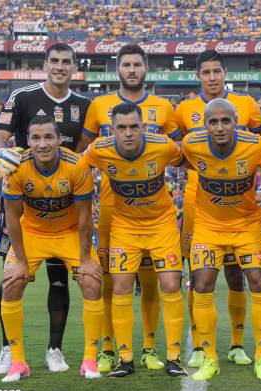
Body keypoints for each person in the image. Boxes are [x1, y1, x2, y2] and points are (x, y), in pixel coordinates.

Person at [78, 43, 180, 373]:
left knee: (154, 282)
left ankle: (151, 348)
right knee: (112, 281)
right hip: (113, 209)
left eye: (138, 64)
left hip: (155, 213)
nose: (132, 69)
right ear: (118, 69)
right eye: (126, 64)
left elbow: (183, 153)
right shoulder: (99, 105)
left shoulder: (164, 108)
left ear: (146, 68)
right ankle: (111, 349)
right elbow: (83, 155)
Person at [0, 42, 90, 375]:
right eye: (54, 61)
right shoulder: (22, 96)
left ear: (74, 67)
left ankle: (55, 350)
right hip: (23, 201)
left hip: (63, 208)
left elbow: (83, 153)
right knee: (11, 273)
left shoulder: (84, 105)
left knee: (59, 278)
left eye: (66, 62)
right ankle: (8, 349)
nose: (60, 67)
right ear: (45, 65)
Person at [175, 50, 261, 368]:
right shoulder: (184, 109)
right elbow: (178, 152)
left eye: (217, 71)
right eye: (206, 72)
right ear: (198, 76)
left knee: (236, 273)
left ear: (225, 73)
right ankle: (200, 344)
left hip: (239, 205)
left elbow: (259, 147)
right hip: (197, 201)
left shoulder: (248, 106)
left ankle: (237, 344)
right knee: (198, 275)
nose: (212, 77)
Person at [0, 115, 102, 382]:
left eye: (48, 137)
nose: (42, 143)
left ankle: (90, 359)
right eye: (35, 138)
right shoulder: (15, 167)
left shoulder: (77, 165)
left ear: (59, 139)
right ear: (27, 141)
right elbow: (12, 217)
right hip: (33, 232)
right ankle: (18, 361)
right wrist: (20, 261)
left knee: (91, 281)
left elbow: (84, 217)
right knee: (11, 282)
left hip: (69, 232)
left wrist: (85, 259)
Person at [181, 99, 261, 381]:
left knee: (258, 283)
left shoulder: (256, 145)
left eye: (226, 121)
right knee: (202, 284)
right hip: (208, 227)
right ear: (204, 124)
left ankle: (260, 355)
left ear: (236, 122)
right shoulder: (191, 144)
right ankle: (209, 358)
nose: (220, 127)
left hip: (247, 226)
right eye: (213, 122)